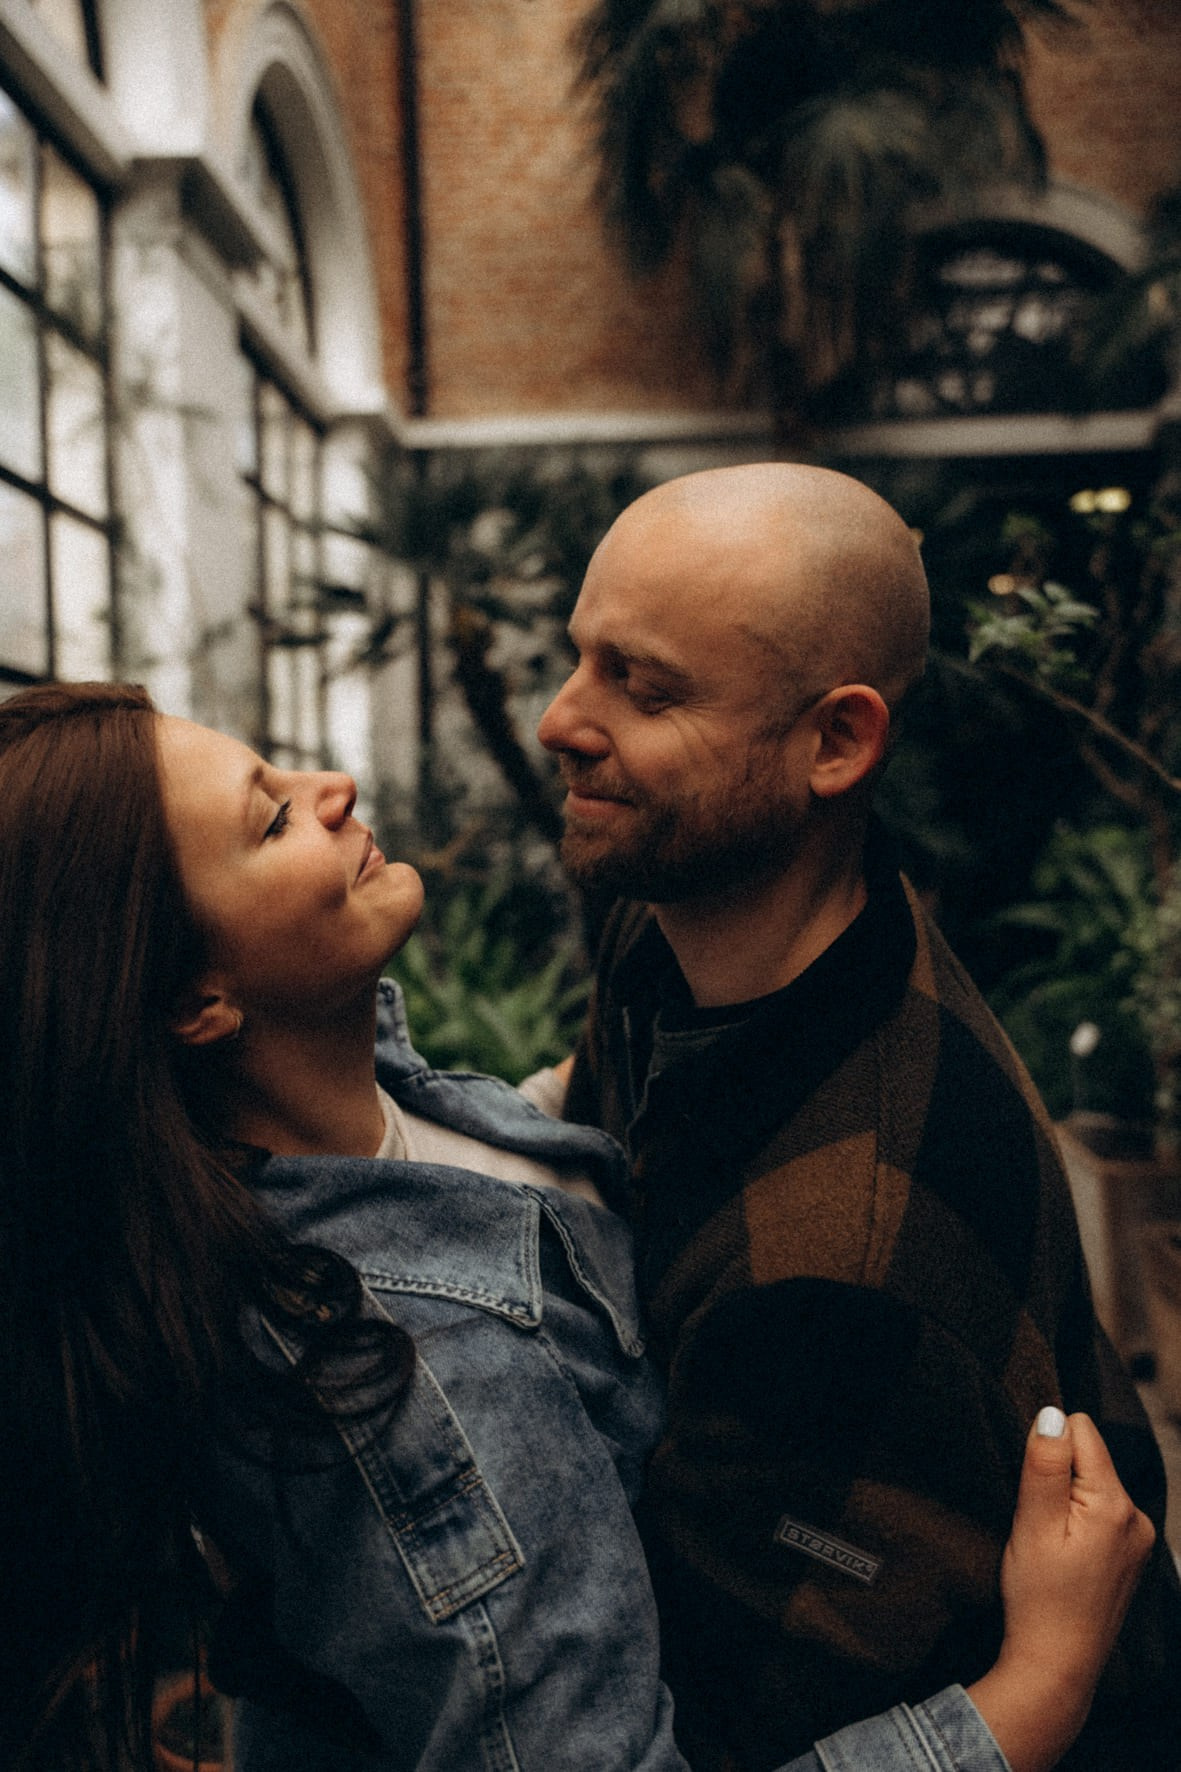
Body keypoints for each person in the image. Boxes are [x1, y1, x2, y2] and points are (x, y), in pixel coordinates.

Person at [0, 682, 1153, 1772]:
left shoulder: (345, 1103)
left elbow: (506, 1166)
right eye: (270, 819)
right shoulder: (426, 1393)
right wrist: (1031, 1692)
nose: (333, 783)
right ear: (198, 1004)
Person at [537, 463, 1181, 1772]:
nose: (560, 719)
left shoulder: (843, 1261)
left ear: (837, 743)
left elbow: (729, 1740)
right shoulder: (685, 922)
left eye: (644, 688)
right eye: (580, 658)